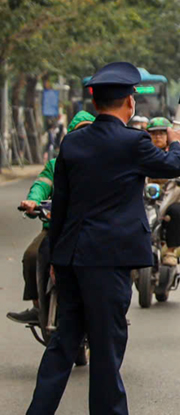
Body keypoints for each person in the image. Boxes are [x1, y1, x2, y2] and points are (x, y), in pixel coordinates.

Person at [20, 62, 180, 415]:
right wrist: (177, 138)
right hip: (107, 257)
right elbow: (174, 165)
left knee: (66, 336)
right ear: (130, 102)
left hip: (71, 253)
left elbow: (60, 203)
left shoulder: (73, 142)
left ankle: (38, 413)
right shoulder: (133, 142)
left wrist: (57, 254)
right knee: (108, 338)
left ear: (94, 102)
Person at [10, 110, 95, 325]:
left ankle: (103, 308)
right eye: (79, 132)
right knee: (32, 255)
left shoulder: (104, 164)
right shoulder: (56, 165)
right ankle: (38, 305)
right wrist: (32, 201)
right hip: (56, 229)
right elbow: (41, 186)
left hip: (92, 229)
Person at [144, 116, 180, 266]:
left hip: (173, 200)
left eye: (162, 133)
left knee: (176, 211)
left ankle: (171, 250)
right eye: (154, 134)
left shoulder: (179, 155)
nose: (158, 137)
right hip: (146, 200)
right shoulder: (143, 154)